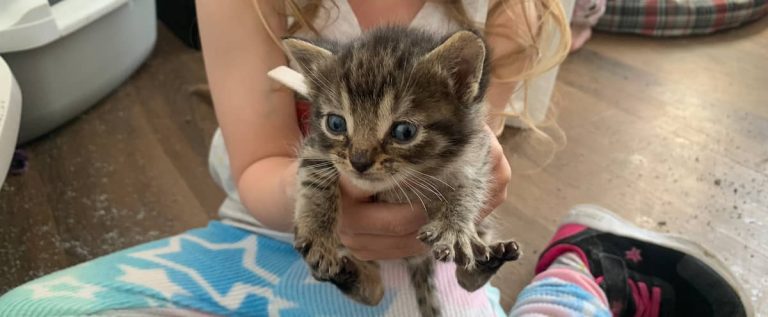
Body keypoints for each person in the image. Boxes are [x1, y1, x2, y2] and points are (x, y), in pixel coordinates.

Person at [0, 1, 749, 316]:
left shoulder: (501, 12)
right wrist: (321, 201)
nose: (356, 149)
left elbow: (462, 158)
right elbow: (264, 164)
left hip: (423, 256)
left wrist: (470, 195)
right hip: (269, 228)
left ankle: (580, 279)